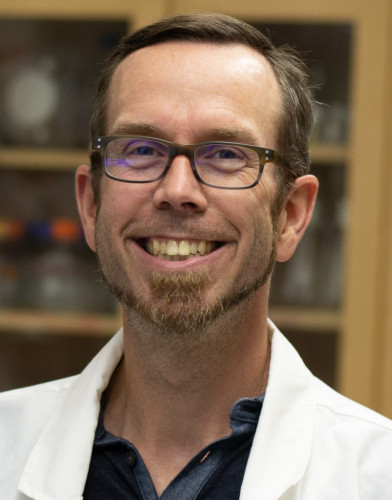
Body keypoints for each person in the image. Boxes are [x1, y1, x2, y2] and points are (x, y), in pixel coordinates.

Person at [1, 13, 392, 500]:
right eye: (140, 148)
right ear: (90, 204)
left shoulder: (376, 475)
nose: (177, 189)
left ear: (291, 216)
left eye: (226, 153)